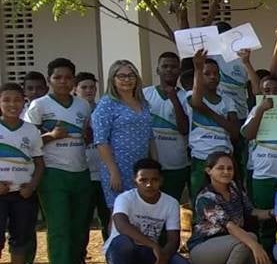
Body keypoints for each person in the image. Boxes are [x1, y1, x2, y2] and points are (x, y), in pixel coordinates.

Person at [23, 57, 92, 264]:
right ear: (50, 79)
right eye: (57, 77)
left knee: (79, 229)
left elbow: (87, 135)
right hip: (53, 174)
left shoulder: (82, 105)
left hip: (80, 172)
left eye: (67, 77)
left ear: (73, 80)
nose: (63, 82)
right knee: (59, 229)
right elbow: (26, 143)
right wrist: (51, 136)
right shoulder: (39, 106)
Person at [103, 158, 190, 264]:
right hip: (120, 252)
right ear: (135, 180)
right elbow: (121, 225)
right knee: (123, 242)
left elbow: (173, 239)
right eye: (143, 180)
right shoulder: (124, 198)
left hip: (148, 253)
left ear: (161, 181)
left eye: (154, 180)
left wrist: (163, 257)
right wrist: (154, 246)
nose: (149, 184)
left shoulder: (170, 203)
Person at [187, 151, 274, 264]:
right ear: (209, 171)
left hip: (231, 245)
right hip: (203, 248)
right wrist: (254, 245)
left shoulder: (235, 189)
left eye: (230, 168)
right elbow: (230, 226)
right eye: (220, 168)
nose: (226, 172)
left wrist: (274, 213)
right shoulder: (206, 198)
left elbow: (251, 212)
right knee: (247, 239)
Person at [0, 81, 44, 264]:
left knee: (20, 241)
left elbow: (39, 163)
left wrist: (32, 186)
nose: (12, 104)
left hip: (23, 196)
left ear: (24, 102)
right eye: (6, 100)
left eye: (17, 100)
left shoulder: (31, 130)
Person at [91, 59, 154, 208]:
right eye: (121, 76)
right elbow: (101, 141)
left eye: (131, 75)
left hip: (141, 168)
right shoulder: (107, 104)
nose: (127, 79)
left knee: (139, 212)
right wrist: (113, 171)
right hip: (118, 167)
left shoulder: (142, 102)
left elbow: (149, 135)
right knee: (119, 212)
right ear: (113, 79)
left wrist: (155, 163)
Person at [241, 74, 277, 250]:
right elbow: (248, 134)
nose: (271, 94)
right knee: (265, 220)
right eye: (266, 91)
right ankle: (267, 257)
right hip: (263, 176)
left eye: (276, 90)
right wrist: (261, 110)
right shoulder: (256, 109)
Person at [188, 50, 241, 200]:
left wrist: (208, 112)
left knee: (226, 198)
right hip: (201, 158)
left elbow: (235, 131)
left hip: (224, 158)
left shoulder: (227, 101)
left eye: (216, 73)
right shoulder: (190, 96)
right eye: (207, 73)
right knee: (200, 199)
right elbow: (197, 103)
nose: (212, 77)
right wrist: (198, 68)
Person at [143, 52, 191, 201]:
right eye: (165, 66)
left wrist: (174, 100)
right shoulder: (145, 94)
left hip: (176, 164)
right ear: (158, 70)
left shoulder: (186, 97)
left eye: (173, 67)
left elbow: (184, 129)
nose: (169, 70)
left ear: (179, 71)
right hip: (150, 164)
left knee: (171, 205)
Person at [74, 72, 110, 237]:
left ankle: (111, 256)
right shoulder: (72, 113)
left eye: (92, 87)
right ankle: (79, 258)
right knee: (82, 220)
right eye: (84, 87)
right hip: (83, 173)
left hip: (104, 174)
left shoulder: (103, 110)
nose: (89, 90)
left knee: (107, 217)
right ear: (75, 89)